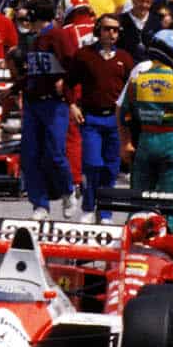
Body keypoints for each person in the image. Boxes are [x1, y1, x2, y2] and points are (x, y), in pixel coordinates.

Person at [12, 0, 77, 220]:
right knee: (30, 155)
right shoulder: (34, 38)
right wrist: (14, 89)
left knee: (55, 153)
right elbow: (33, 71)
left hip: (53, 103)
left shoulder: (58, 35)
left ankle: (68, 191)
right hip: (33, 102)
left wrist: (66, 85)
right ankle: (40, 204)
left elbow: (74, 65)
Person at [67, 13, 135, 222]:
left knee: (111, 167)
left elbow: (132, 89)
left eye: (115, 30)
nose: (111, 33)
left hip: (115, 121)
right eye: (107, 29)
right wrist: (72, 105)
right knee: (92, 163)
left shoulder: (125, 58)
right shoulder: (84, 55)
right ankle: (88, 206)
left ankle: (105, 212)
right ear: (98, 31)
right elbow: (68, 83)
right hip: (91, 120)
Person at [121, 29, 173, 195]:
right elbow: (122, 107)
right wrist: (126, 142)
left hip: (159, 139)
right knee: (164, 197)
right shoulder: (141, 70)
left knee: (144, 196)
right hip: (150, 139)